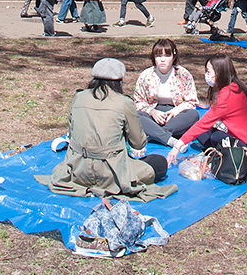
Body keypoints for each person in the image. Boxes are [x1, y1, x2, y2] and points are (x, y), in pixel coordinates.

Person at [35, 57, 177, 200]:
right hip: (111, 175)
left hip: (78, 170)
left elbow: (72, 135)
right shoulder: (124, 102)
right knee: (159, 163)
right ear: (119, 81)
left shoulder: (79, 98)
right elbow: (138, 143)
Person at [168, 53, 247, 167]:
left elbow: (205, 123)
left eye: (209, 72)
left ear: (218, 73)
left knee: (215, 136)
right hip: (235, 128)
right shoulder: (229, 86)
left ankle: (228, 150)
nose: (206, 75)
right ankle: (216, 149)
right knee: (200, 131)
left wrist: (177, 146)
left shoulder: (228, 95)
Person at [133, 39, 199, 147]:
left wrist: (175, 111)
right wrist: (151, 112)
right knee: (135, 116)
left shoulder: (183, 74)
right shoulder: (146, 75)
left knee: (193, 115)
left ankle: (155, 134)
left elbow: (191, 102)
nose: (162, 60)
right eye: (159, 56)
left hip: (174, 115)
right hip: (153, 115)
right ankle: (168, 139)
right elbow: (138, 101)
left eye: (167, 56)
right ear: (154, 58)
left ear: (173, 58)